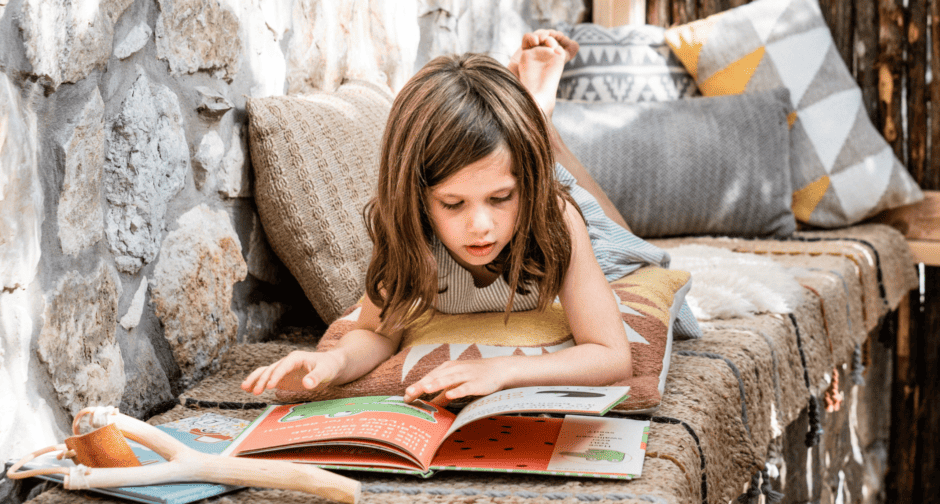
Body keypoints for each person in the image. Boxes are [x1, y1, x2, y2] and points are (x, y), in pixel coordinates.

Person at [242, 30, 695, 405]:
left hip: (549, 214)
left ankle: (540, 117)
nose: (480, 226)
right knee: (508, 167)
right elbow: (379, 334)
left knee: (616, 234)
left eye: (499, 198)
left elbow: (612, 356)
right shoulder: (407, 230)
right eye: (453, 204)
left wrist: (502, 370)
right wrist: (336, 362)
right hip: (518, 181)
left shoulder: (556, 221)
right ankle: (531, 120)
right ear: (417, 199)